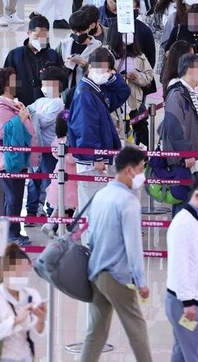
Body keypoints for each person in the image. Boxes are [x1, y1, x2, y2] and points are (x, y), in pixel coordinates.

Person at [80, 146, 152, 362]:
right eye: (141, 169)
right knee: (137, 328)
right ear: (130, 170)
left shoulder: (101, 195)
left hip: (96, 271)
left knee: (96, 332)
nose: (142, 175)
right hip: (117, 276)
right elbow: (133, 245)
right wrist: (141, 281)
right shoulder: (128, 202)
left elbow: (90, 235)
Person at [67, 48, 131, 210]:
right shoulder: (85, 94)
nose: (106, 73)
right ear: (90, 67)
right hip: (91, 163)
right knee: (92, 211)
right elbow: (86, 129)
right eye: (103, 69)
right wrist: (96, 156)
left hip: (97, 159)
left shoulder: (97, 90)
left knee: (97, 209)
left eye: (109, 70)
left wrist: (112, 77)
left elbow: (123, 92)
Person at [165, 173, 198, 362]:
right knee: (197, 355)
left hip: (195, 303)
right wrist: (187, 303)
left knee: (182, 352)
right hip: (186, 304)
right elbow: (179, 266)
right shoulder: (183, 224)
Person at [0, 68, 38, 245]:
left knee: (17, 196)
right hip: (8, 160)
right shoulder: (1, 106)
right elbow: (1, 132)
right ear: (4, 85)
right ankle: (11, 233)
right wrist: (20, 118)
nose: (17, 83)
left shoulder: (14, 103)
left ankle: (14, 231)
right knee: (13, 198)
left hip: (19, 158)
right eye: (13, 80)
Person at [0, 243, 45, 361]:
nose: (22, 277)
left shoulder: (31, 295)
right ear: (5, 273)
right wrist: (16, 320)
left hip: (25, 357)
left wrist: (41, 320)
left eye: (26, 272)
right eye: (18, 273)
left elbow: (36, 338)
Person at [161, 53, 198, 210]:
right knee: (182, 203)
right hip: (183, 160)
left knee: (191, 203)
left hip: (194, 158)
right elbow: (174, 126)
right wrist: (186, 153)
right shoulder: (177, 94)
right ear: (190, 70)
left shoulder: (190, 93)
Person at [25, 66, 66, 220]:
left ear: (57, 84)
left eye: (47, 83)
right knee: (33, 179)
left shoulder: (58, 104)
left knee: (48, 180)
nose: (44, 87)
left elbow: (40, 121)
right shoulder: (40, 101)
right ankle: (31, 209)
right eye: (43, 83)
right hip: (36, 147)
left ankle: (50, 211)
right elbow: (31, 115)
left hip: (49, 149)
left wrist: (31, 116)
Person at [3, 13, 62, 107]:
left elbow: (63, 83)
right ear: (28, 33)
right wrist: (12, 102)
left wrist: (51, 76)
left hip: (47, 108)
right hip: (21, 106)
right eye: (36, 36)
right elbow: (6, 82)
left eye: (43, 37)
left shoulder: (53, 55)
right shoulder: (15, 55)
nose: (40, 40)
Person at [58, 8, 104, 90]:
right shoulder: (64, 45)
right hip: (67, 91)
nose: (78, 35)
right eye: (75, 32)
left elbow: (101, 74)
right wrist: (65, 66)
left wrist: (85, 66)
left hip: (87, 92)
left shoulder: (97, 47)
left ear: (90, 27)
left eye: (82, 32)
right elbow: (55, 65)